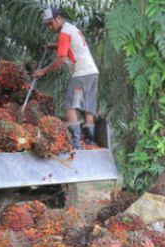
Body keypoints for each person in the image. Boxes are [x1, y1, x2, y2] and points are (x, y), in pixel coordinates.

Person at [33, 6, 99, 150]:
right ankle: (89, 142)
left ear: (58, 18)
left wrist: (43, 71)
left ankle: (76, 144)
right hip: (92, 71)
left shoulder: (63, 33)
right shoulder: (71, 28)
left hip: (80, 72)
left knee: (69, 105)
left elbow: (60, 60)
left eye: (51, 23)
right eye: (47, 25)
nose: (50, 27)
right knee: (88, 107)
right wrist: (53, 45)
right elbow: (71, 45)